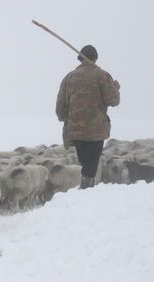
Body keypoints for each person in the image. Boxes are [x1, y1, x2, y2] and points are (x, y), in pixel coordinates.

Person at [56, 45, 120, 189]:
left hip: (75, 127)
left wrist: (63, 118)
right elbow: (112, 100)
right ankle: (87, 185)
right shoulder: (102, 75)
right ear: (95, 58)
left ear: (80, 58)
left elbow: (60, 104)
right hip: (96, 127)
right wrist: (115, 89)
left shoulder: (69, 77)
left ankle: (86, 183)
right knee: (92, 159)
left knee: (84, 159)